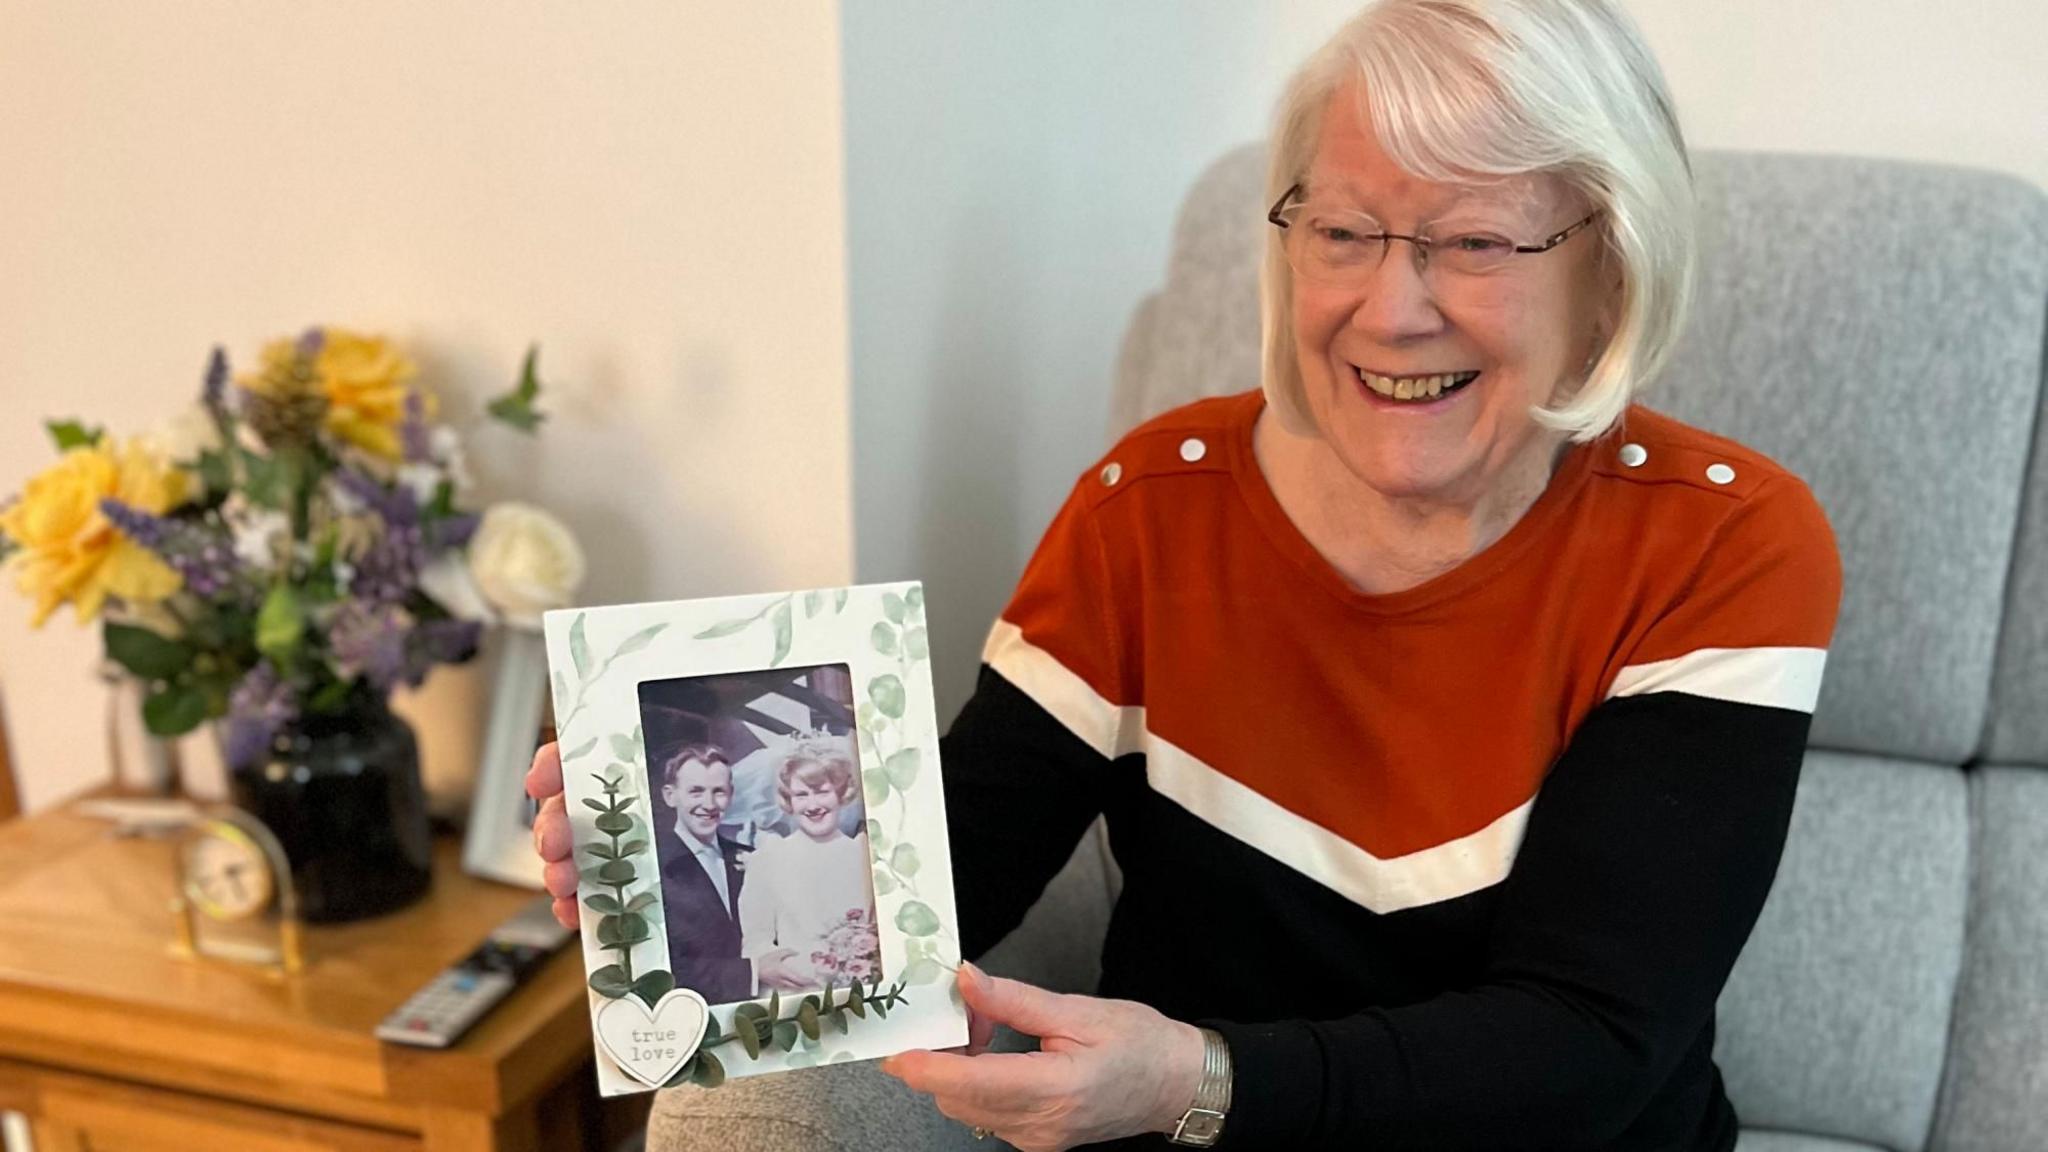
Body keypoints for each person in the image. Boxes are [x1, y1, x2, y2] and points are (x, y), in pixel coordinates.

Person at [528, 0, 1841, 1146]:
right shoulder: (1155, 506)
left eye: (1475, 243)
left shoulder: (1722, 545)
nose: (1392, 310)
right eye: (1344, 232)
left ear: (1611, 270)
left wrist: (1201, 1082)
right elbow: (955, 872)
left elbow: (1588, 1045)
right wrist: (685, 866)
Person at [651, 744, 806, 1004]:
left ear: (731, 795)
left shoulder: (751, 858)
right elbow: (665, 969)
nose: (709, 804)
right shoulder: (656, 871)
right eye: (696, 792)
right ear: (670, 795)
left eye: (719, 792)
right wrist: (753, 972)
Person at [736, 734, 882, 990]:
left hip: (862, 990)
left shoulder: (865, 853)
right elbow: (755, 940)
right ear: (788, 800)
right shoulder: (768, 859)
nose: (812, 805)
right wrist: (765, 964)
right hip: (795, 991)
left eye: (822, 792)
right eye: (801, 795)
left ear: (841, 794)